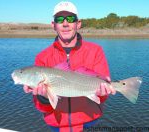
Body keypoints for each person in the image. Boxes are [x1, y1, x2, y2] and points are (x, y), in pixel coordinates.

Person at [23, 1, 116, 132]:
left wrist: (103, 92)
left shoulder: (96, 51)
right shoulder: (42, 57)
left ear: (78, 24)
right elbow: (40, 106)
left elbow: (103, 97)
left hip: (90, 123)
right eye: (59, 19)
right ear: (53, 25)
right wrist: (43, 97)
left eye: (71, 19)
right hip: (56, 125)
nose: (65, 24)